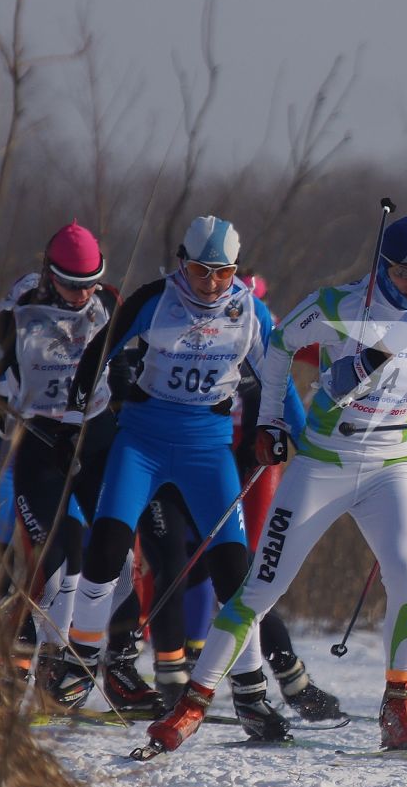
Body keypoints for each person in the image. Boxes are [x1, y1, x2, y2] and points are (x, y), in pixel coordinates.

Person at [146, 216, 407, 754]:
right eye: (406, 272)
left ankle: (399, 708)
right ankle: (192, 706)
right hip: (324, 461)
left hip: (390, 466)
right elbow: (278, 346)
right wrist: (271, 420)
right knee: (262, 588)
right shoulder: (338, 305)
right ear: (383, 266)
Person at [63, 215, 302, 741]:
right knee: (105, 551)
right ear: (182, 263)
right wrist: (84, 389)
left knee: (235, 577)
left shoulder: (249, 311)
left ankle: (251, 696)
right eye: (200, 271)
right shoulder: (157, 298)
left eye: (222, 273)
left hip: (206, 448)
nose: (210, 284)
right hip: (142, 440)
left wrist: (300, 435)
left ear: (235, 271)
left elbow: (279, 378)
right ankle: (76, 665)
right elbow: (104, 343)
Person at [0, 221, 120, 707]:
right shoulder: (17, 314)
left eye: (89, 283)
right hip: (33, 441)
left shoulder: (110, 306)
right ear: (48, 273)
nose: (81, 294)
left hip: (89, 438)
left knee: (92, 553)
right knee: (42, 560)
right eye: (70, 284)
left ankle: (62, 666)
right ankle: (12, 662)